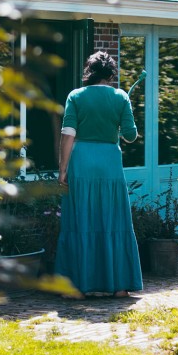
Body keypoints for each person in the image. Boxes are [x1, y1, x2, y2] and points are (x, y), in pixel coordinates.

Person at [54, 51, 143, 297]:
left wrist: (63, 169)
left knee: (80, 220)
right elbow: (130, 135)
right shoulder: (121, 97)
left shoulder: (76, 96)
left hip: (82, 162)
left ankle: (77, 286)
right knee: (113, 220)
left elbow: (68, 134)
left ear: (90, 72)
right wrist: (126, 114)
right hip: (110, 165)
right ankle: (119, 287)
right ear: (111, 74)